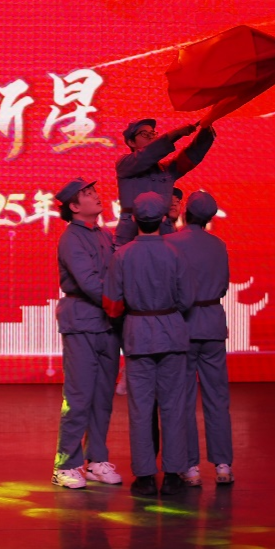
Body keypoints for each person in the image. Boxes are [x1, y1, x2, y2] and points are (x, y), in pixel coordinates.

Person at [103, 191, 194, 496]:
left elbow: (112, 304)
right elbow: (187, 299)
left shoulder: (122, 255)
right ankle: (173, 475)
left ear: (134, 218)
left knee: (140, 408)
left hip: (137, 334)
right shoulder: (175, 253)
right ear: (163, 216)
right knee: (173, 406)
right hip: (172, 333)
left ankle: (144, 476)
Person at [50, 178, 122, 490]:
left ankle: (97, 460)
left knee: (103, 396)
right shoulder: (71, 238)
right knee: (79, 396)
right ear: (75, 207)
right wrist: (119, 302)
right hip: (82, 319)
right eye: (88, 194)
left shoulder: (106, 235)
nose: (96, 196)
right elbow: (90, 282)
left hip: (108, 322)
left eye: (94, 192)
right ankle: (66, 464)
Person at [166, 190, 233, 485]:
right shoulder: (218, 245)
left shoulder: (171, 242)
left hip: (183, 325)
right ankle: (223, 465)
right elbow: (223, 286)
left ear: (186, 213)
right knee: (217, 397)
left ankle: (190, 467)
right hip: (213, 323)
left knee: (182, 398)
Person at [114, 119, 215, 244]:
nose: (151, 137)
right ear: (131, 142)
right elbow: (148, 153)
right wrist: (176, 133)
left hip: (164, 234)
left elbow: (191, 157)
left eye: (153, 133)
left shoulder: (166, 171)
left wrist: (206, 128)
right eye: (144, 134)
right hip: (131, 236)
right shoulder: (124, 164)